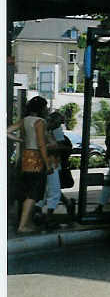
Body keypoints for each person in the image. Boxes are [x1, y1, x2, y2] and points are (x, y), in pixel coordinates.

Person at [7, 96, 51, 234]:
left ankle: (27, 223)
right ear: (41, 109)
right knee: (33, 193)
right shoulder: (40, 122)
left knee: (27, 191)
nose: (47, 109)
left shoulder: (25, 120)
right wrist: (47, 164)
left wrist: (20, 140)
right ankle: (23, 226)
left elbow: (6, 131)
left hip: (25, 156)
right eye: (45, 107)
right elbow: (41, 144)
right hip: (36, 158)